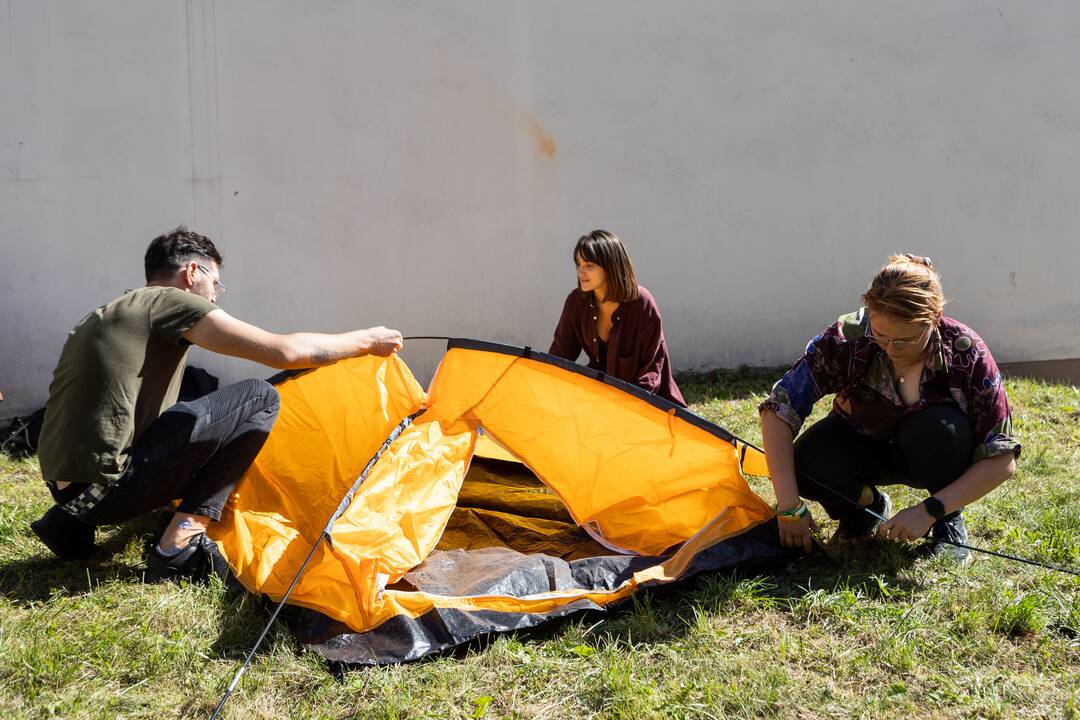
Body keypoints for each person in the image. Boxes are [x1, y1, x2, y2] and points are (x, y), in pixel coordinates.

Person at [31, 227, 403, 581]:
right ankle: (177, 546)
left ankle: (67, 525)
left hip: (66, 489)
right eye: (216, 283)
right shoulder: (169, 301)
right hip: (107, 491)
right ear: (193, 272)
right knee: (260, 398)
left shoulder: (110, 313)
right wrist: (366, 339)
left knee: (193, 404)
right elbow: (284, 352)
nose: (215, 296)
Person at [758, 254, 1019, 563]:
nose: (890, 349)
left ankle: (947, 522)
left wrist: (928, 511)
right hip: (863, 443)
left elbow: (1002, 457)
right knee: (804, 464)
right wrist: (789, 505)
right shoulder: (850, 336)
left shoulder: (965, 351)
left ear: (935, 318)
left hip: (936, 452)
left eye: (905, 340)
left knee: (939, 429)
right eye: (881, 335)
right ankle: (866, 508)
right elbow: (779, 408)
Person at [549, 229, 686, 406]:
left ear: (610, 266)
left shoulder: (642, 303)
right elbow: (560, 355)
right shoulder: (576, 302)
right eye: (578, 264)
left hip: (648, 404)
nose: (581, 272)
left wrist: (624, 410)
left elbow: (651, 370)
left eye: (589, 265)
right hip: (600, 400)